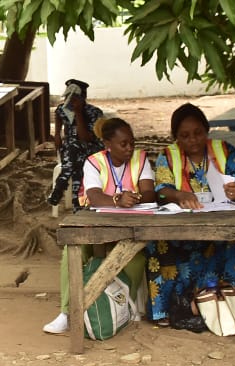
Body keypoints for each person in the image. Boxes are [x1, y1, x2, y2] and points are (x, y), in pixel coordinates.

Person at [148, 103, 235, 326]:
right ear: (176, 137)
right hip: (184, 228)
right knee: (158, 243)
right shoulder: (168, 155)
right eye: (184, 136)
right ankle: (168, 308)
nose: (192, 140)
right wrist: (178, 194)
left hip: (222, 222)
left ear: (207, 131)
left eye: (198, 133)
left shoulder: (225, 151)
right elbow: (161, 191)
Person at [43, 117, 155, 334]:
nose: (130, 148)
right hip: (95, 227)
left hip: (129, 228)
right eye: (123, 144)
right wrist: (117, 200)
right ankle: (67, 312)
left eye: (132, 142)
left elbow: (150, 193)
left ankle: (124, 308)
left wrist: (136, 198)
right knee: (71, 253)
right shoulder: (94, 162)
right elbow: (93, 196)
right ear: (107, 144)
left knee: (137, 258)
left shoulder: (141, 159)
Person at [48, 79, 104, 213]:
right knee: (76, 160)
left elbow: (86, 138)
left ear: (82, 98)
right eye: (67, 97)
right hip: (72, 154)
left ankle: (61, 184)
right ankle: (77, 206)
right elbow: (58, 115)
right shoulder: (62, 110)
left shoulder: (94, 112)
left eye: (73, 97)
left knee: (75, 149)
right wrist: (56, 135)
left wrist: (78, 113)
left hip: (92, 151)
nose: (69, 100)